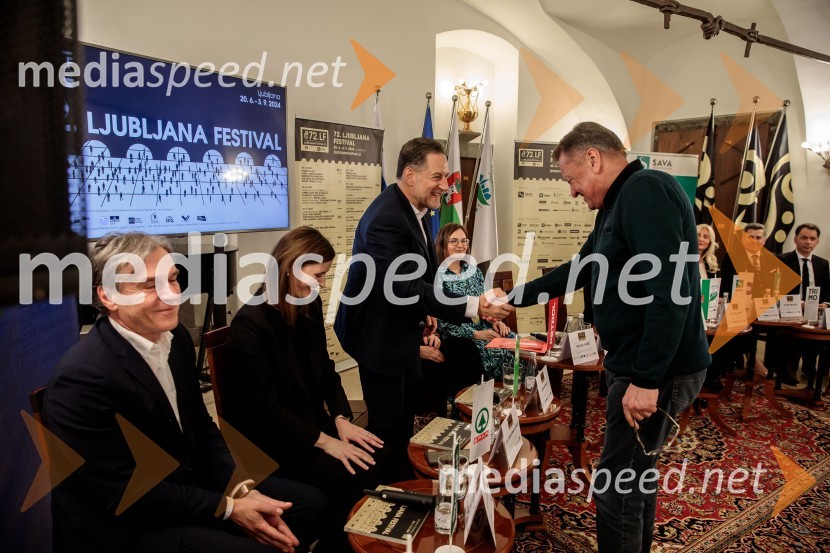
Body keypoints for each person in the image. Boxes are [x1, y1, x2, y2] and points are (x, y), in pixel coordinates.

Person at [42, 233, 325, 553]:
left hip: (181, 485)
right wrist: (230, 508)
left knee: (310, 504)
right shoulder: (83, 379)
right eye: (149, 285)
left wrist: (242, 489)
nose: (171, 295)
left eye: (173, 279)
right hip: (124, 525)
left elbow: (202, 427)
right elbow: (124, 492)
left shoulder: (174, 336)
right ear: (108, 296)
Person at [510, 122, 710, 553]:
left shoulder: (644, 192)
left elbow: (670, 295)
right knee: (634, 481)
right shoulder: (619, 202)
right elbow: (580, 268)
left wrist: (646, 379)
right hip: (639, 364)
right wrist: (514, 297)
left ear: (594, 159)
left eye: (571, 179)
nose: (572, 192)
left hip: (656, 369)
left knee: (616, 487)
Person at [334, 137, 513, 479]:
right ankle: (384, 495)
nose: (445, 187)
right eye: (438, 177)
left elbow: (419, 280)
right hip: (376, 337)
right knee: (386, 426)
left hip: (399, 328)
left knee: (405, 416)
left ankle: (403, 477)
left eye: (446, 178)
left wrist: (426, 312)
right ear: (410, 175)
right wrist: (475, 304)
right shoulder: (386, 218)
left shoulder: (414, 210)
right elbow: (405, 286)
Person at [223, 227, 385, 551]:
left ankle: (348, 541)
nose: (323, 284)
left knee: (379, 453)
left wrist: (340, 418)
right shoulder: (250, 324)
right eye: (319, 275)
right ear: (291, 267)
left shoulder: (307, 306)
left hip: (305, 426)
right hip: (269, 441)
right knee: (347, 474)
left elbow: (326, 370)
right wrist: (325, 442)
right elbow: (266, 412)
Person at [434, 223, 516, 381]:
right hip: (460, 335)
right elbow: (441, 318)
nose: (460, 245)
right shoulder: (437, 275)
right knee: (496, 354)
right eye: (454, 241)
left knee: (517, 344)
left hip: (485, 326)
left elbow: (486, 304)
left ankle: (519, 397)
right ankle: (486, 400)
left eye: (464, 241)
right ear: (443, 244)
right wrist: (475, 334)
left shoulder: (474, 271)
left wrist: (496, 321)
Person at [777, 223, 830, 387]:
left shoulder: (822, 263)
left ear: (817, 242)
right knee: (792, 340)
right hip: (790, 311)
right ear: (795, 239)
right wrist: (801, 304)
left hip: (815, 314)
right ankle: (788, 370)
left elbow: (827, 289)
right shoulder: (782, 260)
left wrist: (825, 304)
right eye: (804, 237)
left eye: (812, 238)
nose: (808, 242)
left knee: (821, 336)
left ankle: (812, 370)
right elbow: (777, 291)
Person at [719, 222, 776, 299]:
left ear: (764, 241)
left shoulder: (772, 258)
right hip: (740, 304)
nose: (754, 241)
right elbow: (726, 285)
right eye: (750, 237)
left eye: (758, 238)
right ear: (743, 238)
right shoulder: (731, 257)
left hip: (765, 305)